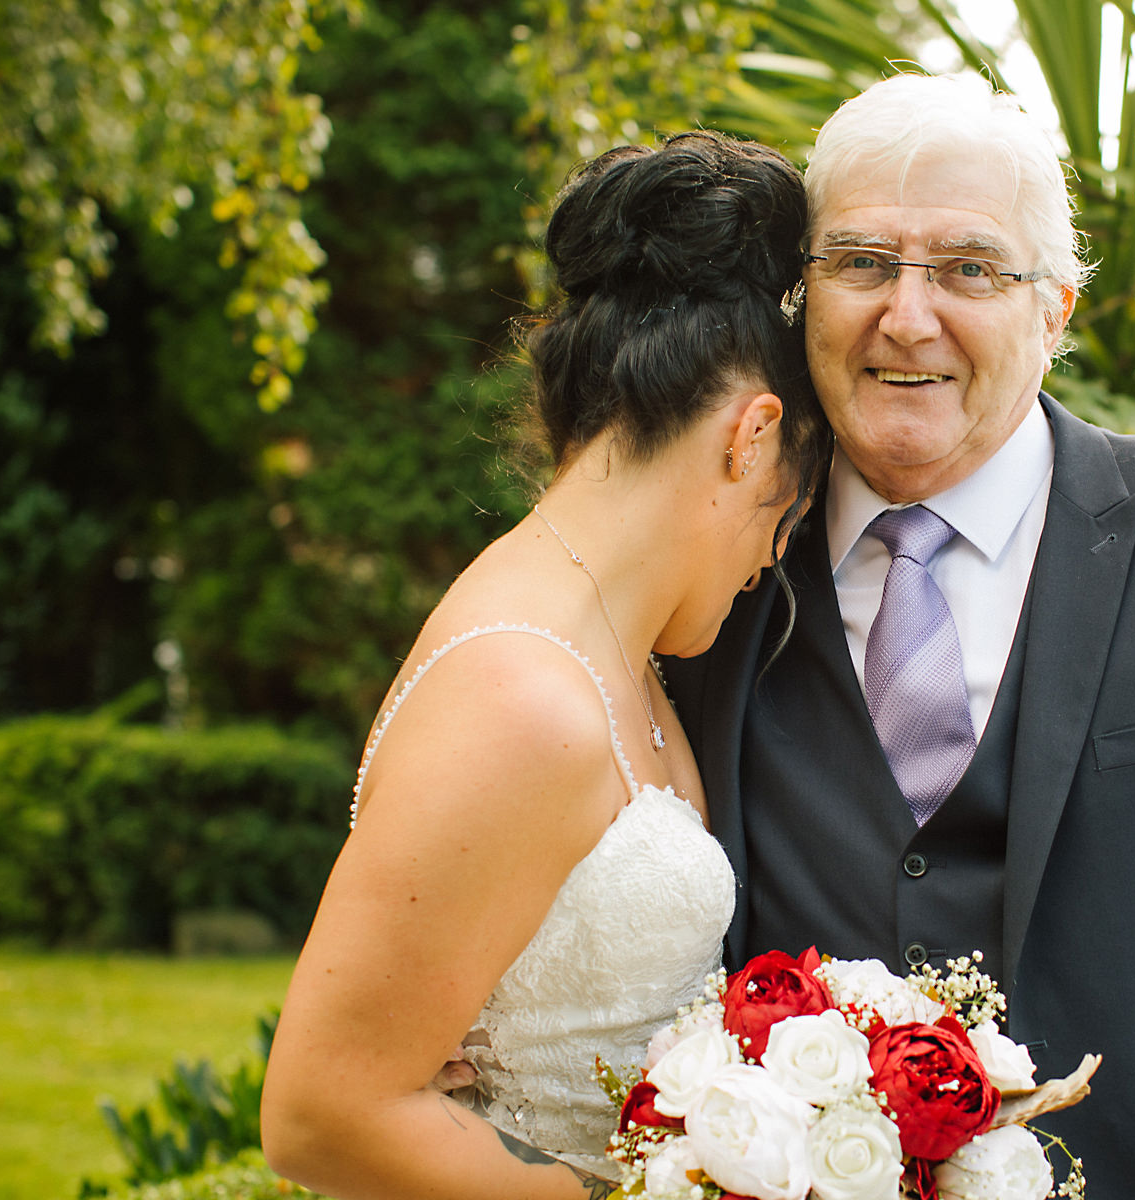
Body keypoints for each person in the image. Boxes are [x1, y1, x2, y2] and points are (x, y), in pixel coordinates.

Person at [660, 73, 1135, 1198]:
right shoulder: (710, 571)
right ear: (802, 294)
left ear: (1055, 310)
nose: (907, 316)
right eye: (862, 262)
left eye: (969, 269)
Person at [260, 131, 829, 1199]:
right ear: (751, 437)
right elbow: (318, 1116)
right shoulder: (520, 694)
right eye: (785, 515)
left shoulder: (616, 653)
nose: (770, 559)